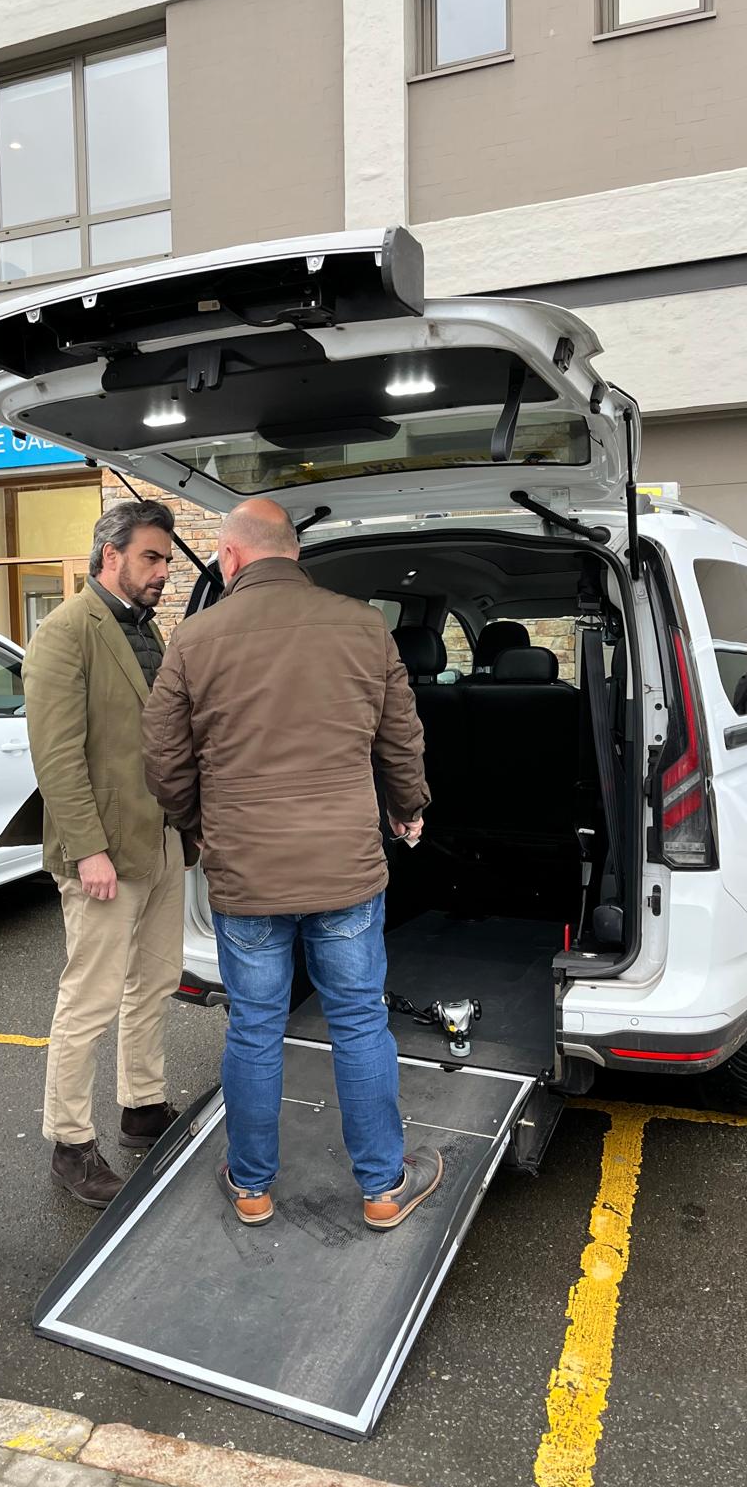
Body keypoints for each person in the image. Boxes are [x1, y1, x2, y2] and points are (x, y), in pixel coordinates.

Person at [143, 498, 441, 1231]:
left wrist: (205, 829)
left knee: (253, 1027)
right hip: (344, 866)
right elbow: (401, 739)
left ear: (232, 558)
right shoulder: (363, 627)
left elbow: (162, 758)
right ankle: (381, 1188)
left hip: (246, 872)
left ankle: (250, 1187)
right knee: (359, 1022)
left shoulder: (196, 637)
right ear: (294, 555)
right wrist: (408, 807)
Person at [23, 500, 187, 1207]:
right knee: (88, 998)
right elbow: (56, 758)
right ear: (109, 555)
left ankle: (143, 1105)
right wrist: (88, 849)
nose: (163, 572)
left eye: (166, 561)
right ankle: (69, 1141)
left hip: (160, 841)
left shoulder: (149, 633)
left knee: (154, 980)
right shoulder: (65, 632)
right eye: (152, 557)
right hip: (104, 854)